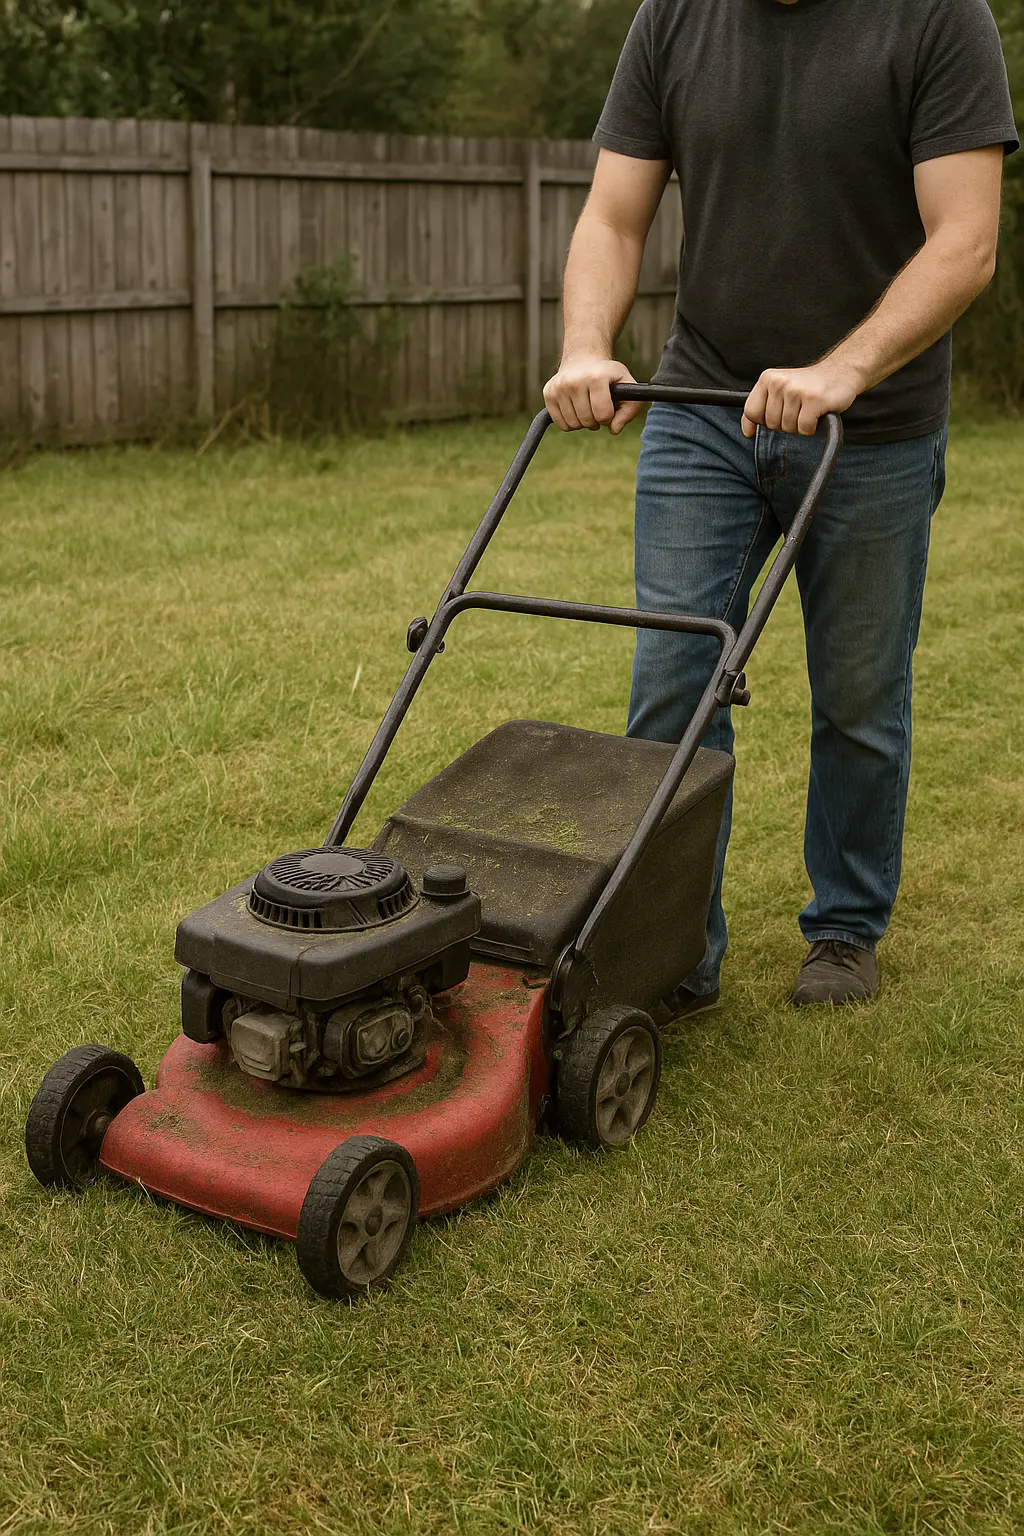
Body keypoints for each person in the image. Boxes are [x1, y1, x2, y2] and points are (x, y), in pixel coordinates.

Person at [544, 0, 1018, 1010]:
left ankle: (844, 927)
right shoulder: (674, 18)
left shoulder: (937, 17)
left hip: (870, 424)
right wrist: (586, 343)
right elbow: (613, 213)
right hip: (705, 403)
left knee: (856, 695)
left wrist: (841, 369)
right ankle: (674, 953)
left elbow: (967, 240)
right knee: (674, 675)